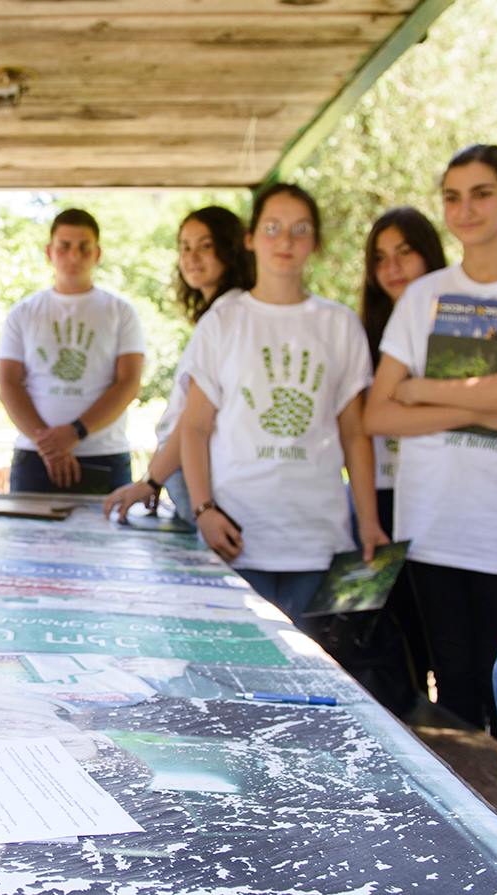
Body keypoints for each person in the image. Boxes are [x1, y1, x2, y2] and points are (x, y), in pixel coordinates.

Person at [365, 144, 497, 741]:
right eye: (452, 197)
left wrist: (420, 391)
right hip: (432, 525)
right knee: (455, 696)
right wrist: (486, 407)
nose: (465, 210)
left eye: (481, 193)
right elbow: (377, 413)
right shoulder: (424, 295)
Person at [178, 183, 386, 621]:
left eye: (300, 229)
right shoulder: (223, 321)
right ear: (251, 238)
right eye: (272, 228)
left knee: (315, 663)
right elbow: (194, 427)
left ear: (316, 241)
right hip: (235, 537)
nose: (285, 241)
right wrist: (203, 510)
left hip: (319, 541)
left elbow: (354, 433)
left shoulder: (339, 324)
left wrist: (368, 523)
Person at [103, 206, 253, 523]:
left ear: (231, 249)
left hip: (196, 472)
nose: (191, 257)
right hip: (181, 467)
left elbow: (192, 419)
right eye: (185, 247)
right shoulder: (223, 313)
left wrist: (151, 480)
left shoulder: (229, 315)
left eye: (205, 245)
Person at [356, 207, 448, 703]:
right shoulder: (361, 334)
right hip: (381, 500)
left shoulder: (460, 326)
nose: (392, 268)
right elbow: (360, 427)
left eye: (405, 253)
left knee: (450, 648)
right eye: (380, 258)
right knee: (402, 639)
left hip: (443, 497)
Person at [0, 208, 146, 494]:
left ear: (97, 254)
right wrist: (49, 445)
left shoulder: (121, 312)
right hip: (35, 454)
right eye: (64, 246)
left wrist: (75, 432)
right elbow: (7, 383)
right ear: (49, 252)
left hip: (103, 453)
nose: (74, 256)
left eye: (84, 247)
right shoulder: (23, 312)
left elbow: (128, 382)